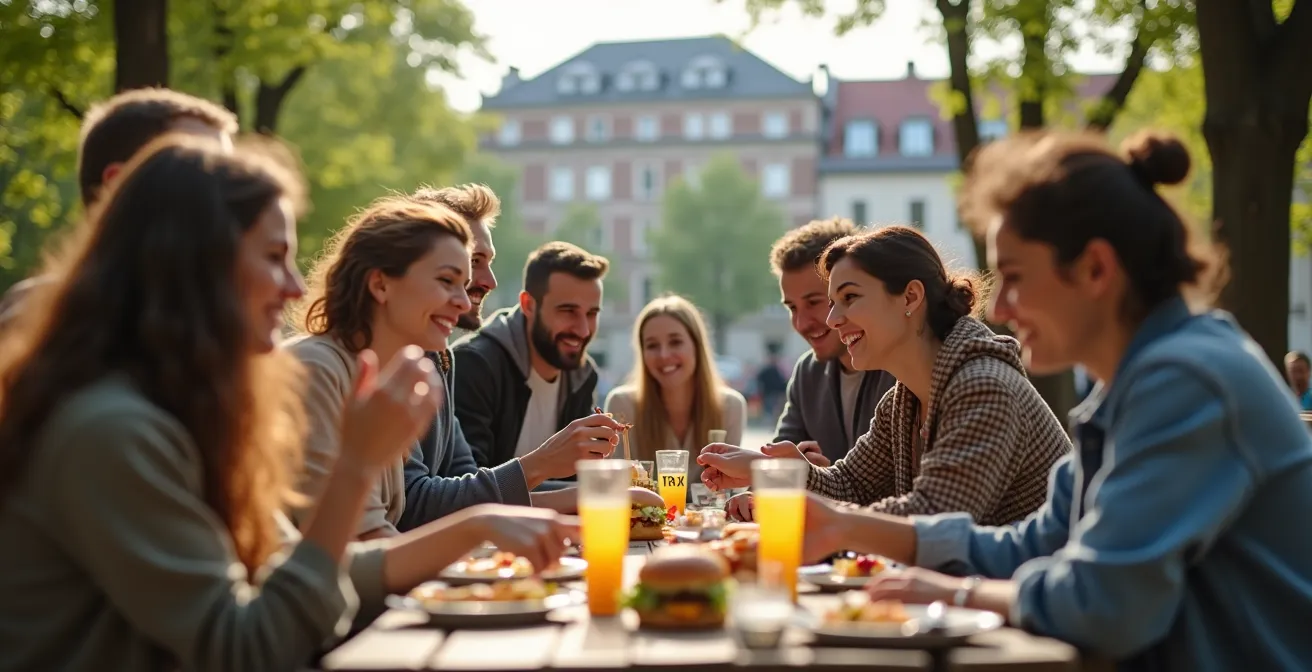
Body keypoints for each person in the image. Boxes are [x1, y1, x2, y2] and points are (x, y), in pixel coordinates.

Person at [0, 137, 576, 671]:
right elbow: (248, 644)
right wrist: (355, 465)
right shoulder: (113, 430)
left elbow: (306, 573)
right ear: (193, 259)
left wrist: (486, 522)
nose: (296, 286)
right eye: (273, 256)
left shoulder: (184, 411)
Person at [802, 130, 1312, 669]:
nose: (1002, 308)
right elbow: (1039, 542)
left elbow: (1103, 605)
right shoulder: (1137, 385)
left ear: (1095, 269)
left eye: (1016, 278)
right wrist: (852, 527)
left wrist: (955, 594)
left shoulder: (1187, 381)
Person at [699, 225, 1070, 526]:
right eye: (831, 303)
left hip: (1037, 605)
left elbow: (932, 519)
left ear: (910, 297)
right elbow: (850, 483)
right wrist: (769, 469)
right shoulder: (904, 397)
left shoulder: (982, 385)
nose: (832, 320)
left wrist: (809, 508)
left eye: (849, 298)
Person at [288, 195, 535, 538]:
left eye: (462, 284)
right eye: (447, 281)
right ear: (381, 284)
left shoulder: (385, 378)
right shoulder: (319, 369)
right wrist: (483, 527)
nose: (464, 301)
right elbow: (363, 549)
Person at [0, 87, 238, 326]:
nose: (230, 199)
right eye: (206, 174)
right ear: (118, 186)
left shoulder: (222, 326)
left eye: (232, 180)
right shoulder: (43, 324)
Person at [452, 241, 623, 487]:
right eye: (568, 311)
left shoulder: (583, 375)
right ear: (528, 305)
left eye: (592, 313)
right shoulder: (476, 364)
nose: (583, 329)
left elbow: (578, 478)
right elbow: (469, 490)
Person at [604, 295, 747, 489]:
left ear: (697, 346)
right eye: (652, 345)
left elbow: (730, 490)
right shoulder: (622, 405)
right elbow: (615, 486)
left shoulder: (730, 407)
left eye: (675, 342)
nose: (664, 355)